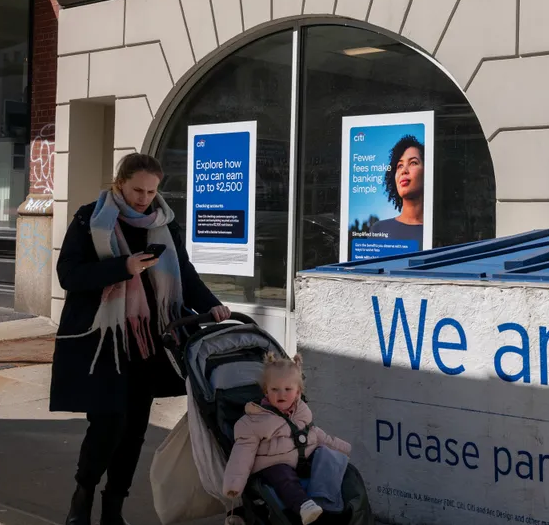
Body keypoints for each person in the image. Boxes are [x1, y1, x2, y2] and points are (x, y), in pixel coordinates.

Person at [51, 153, 232, 525]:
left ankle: (113, 509)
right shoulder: (91, 218)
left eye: (151, 191)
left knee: (134, 432)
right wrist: (123, 267)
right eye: (137, 190)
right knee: (106, 425)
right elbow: (69, 275)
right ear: (119, 182)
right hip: (105, 342)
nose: (144, 198)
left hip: (149, 344)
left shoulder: (164, 222)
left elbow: (184, 273)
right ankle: (81, 498)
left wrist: (212, 306)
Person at [222, 352, 352, 524]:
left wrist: (340, 448)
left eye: (288, 389)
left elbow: (315, 434)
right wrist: (234, 485)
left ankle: (324, 499)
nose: (281, 394)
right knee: (282, 474)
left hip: (303, 459)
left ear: (298, 391)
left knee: (329, 456)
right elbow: (242, 454)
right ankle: (304, 506)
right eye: (274, 389)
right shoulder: (254, 421)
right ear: (265, 390)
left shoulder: (301, 411)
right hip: (274, 464)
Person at [367, 135, 424, 243]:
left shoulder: (437, 231)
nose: (404, 171)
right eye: (400, 166)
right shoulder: (378, 230)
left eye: (413, 163)